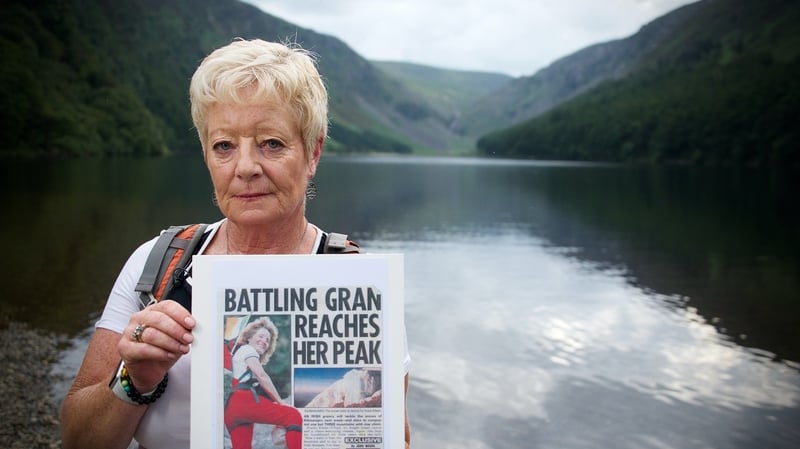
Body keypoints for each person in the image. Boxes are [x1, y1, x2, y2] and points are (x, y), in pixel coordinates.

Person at [60, 38, 412, 449]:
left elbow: (396, 440)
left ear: (313, 152)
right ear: (206, 155)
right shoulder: (157, 264)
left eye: (271, 144)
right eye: (224, 146)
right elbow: (76, 440)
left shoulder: (360, 282)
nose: (245, 168)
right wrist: (134, 379)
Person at [225, 317, 301, 449]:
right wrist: (280, 402)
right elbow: (262, 376)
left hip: (230, 410)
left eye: (267, 340)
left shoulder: (238, 353)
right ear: (249, 337)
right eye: (261, 336)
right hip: (244, 401)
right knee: (293, 416)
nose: (264, 341)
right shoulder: (248, 349)